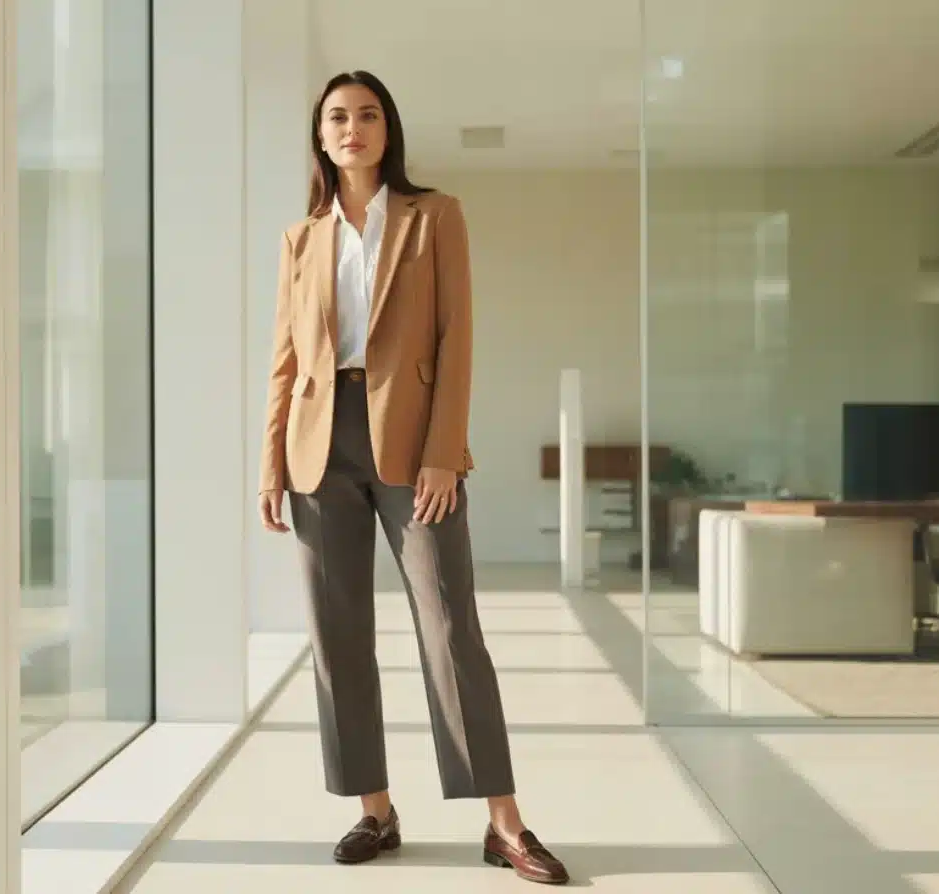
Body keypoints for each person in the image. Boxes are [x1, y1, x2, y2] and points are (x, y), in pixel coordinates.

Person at [256, 71, 569, 885]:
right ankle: (376, 810)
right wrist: (268, 467)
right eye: (337, 117)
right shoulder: (302, 237)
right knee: (338, 635)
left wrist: (444, 450)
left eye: (366, 115)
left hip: (412, 444)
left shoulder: (435, 218)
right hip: (317, 451)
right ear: (321, 137)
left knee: (449, 627)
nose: (351, 128)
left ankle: (505, 824)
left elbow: (456, 335)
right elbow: (285, 364)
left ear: (387, 130)